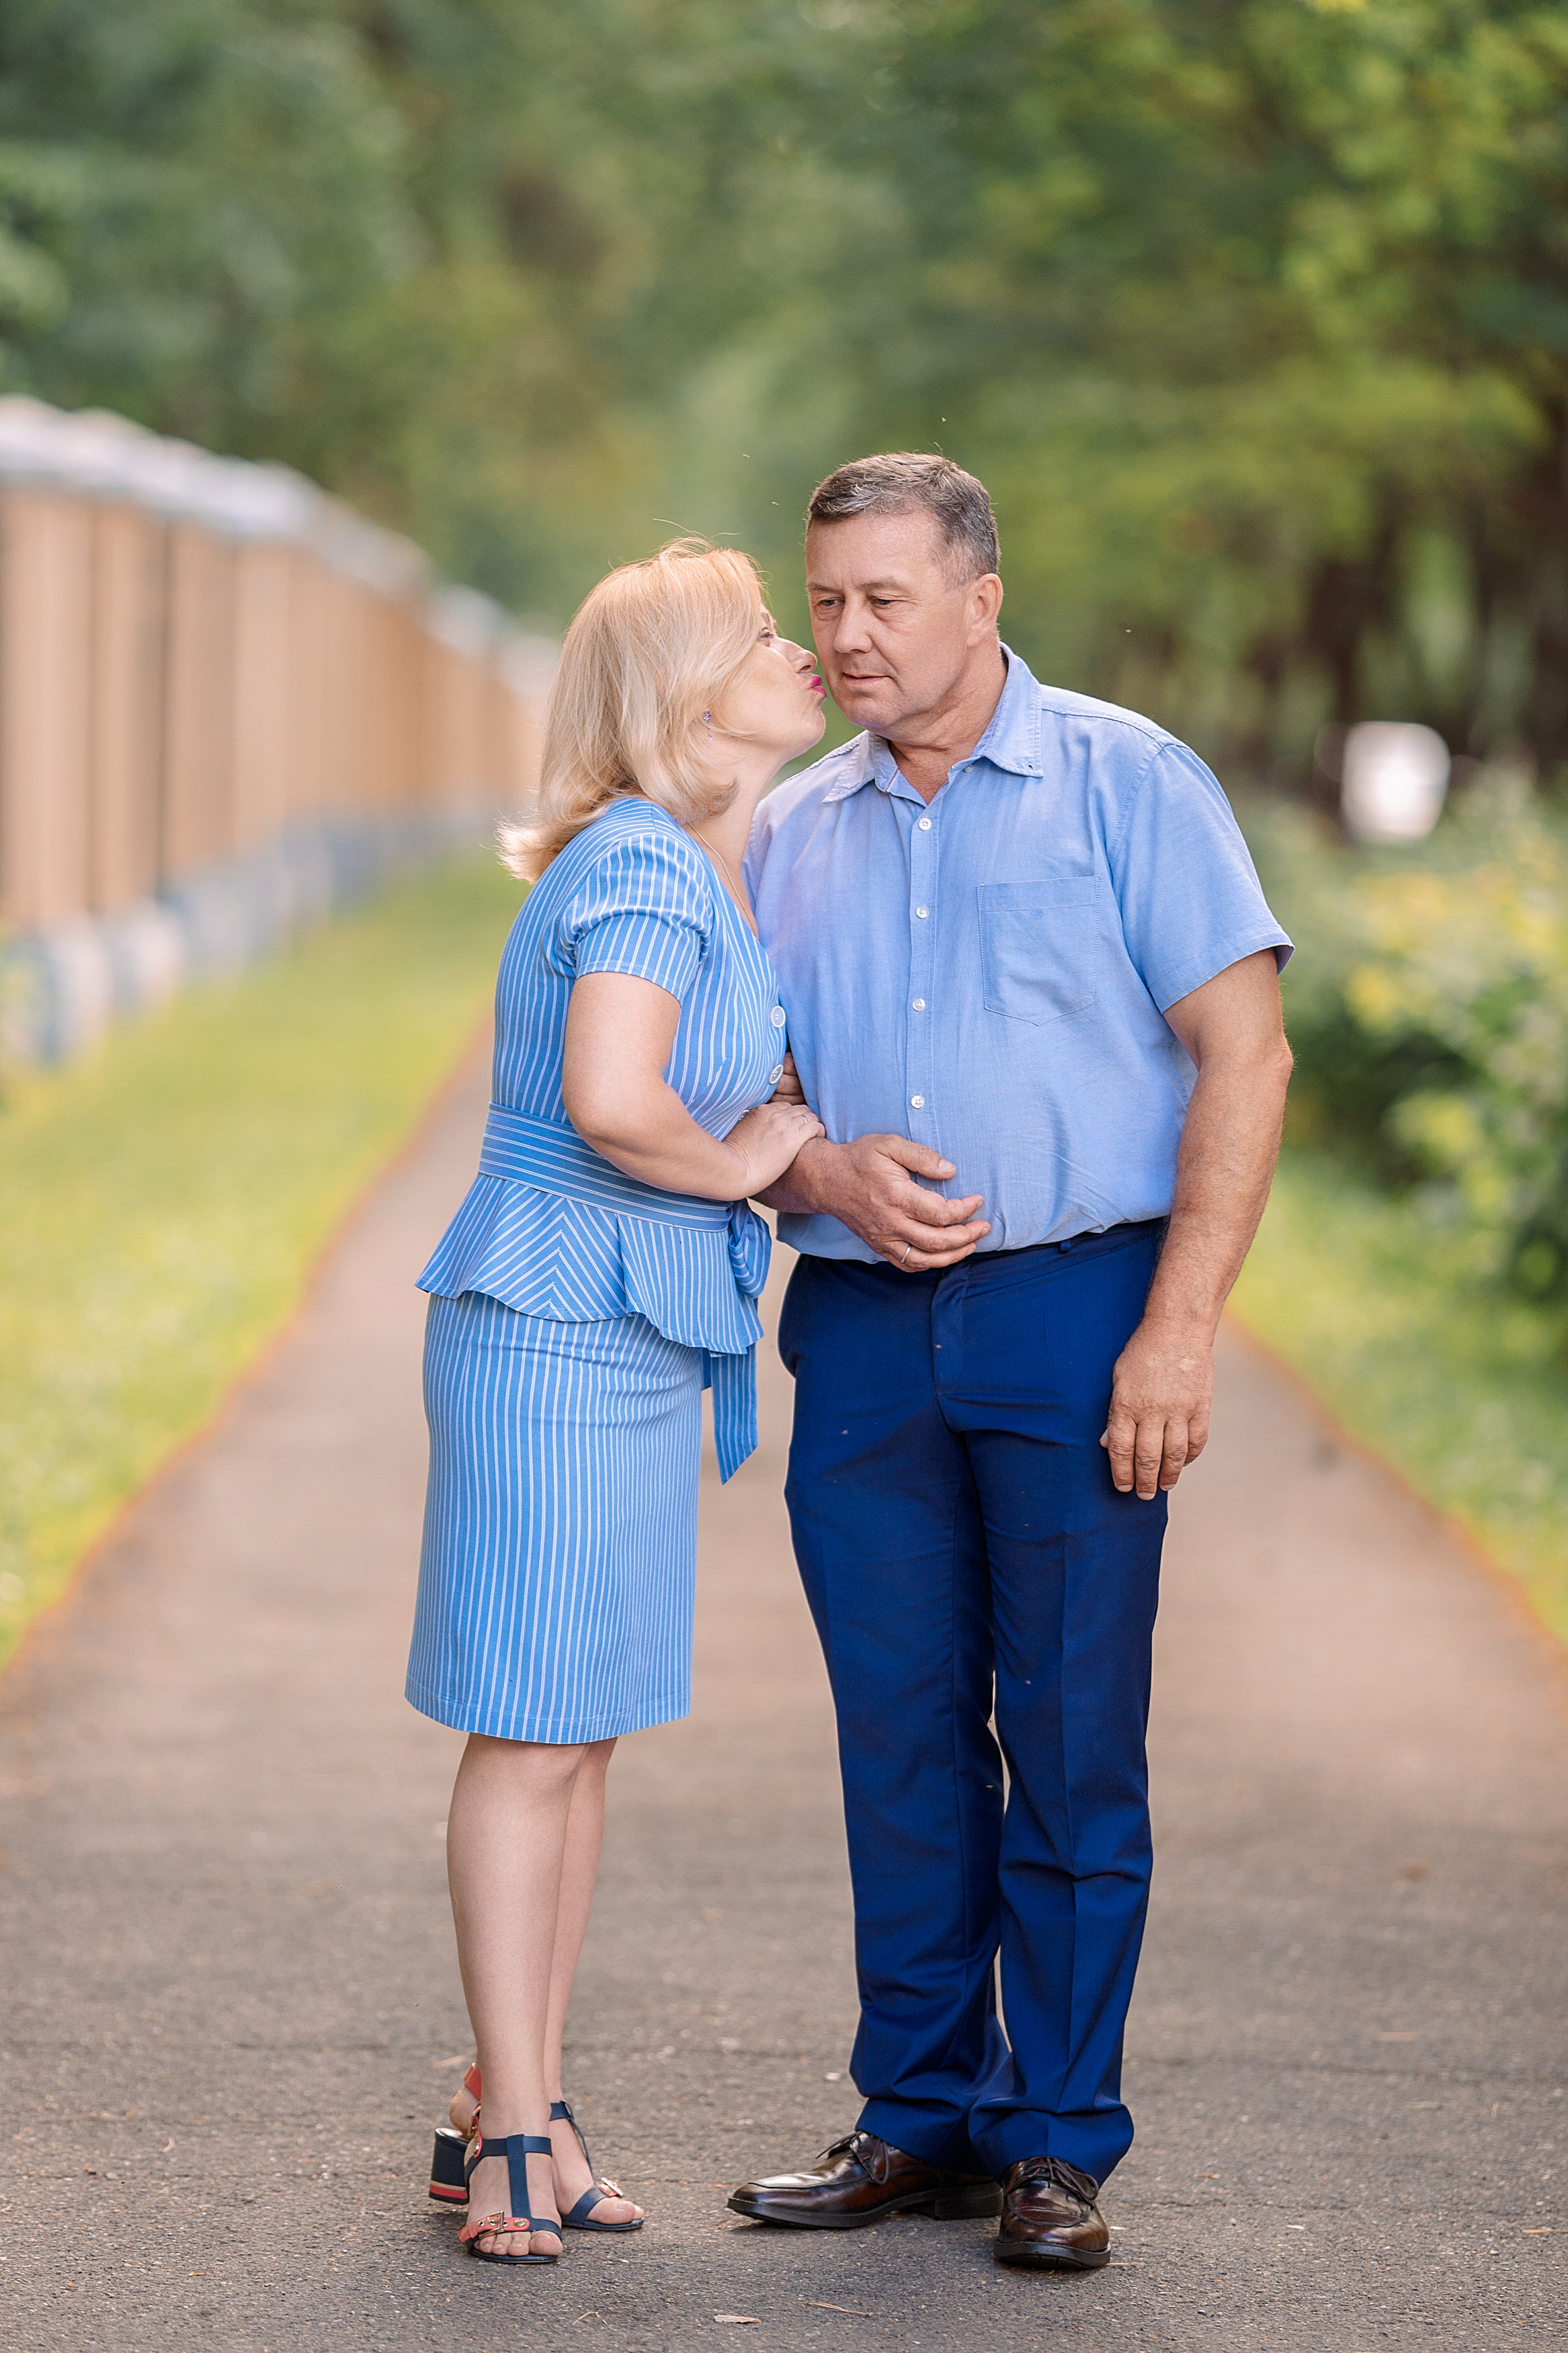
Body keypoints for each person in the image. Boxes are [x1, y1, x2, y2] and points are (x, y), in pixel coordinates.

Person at [727, 453, 1294, 2271]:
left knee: (1063, 1736)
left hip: (1074, 1312)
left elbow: (1245, 1053)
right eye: (824, 601)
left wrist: (1176, 1326)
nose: (847, 635)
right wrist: (811, 1165)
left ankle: (1054, 2137)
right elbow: (740, 1082)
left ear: (980, 598)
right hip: (865, 1331)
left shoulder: (1130, 782)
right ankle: (920, 2111)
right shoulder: (793, 824)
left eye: (884, 599)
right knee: (898, 1736)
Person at [406, 539, 826, 2266]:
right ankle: (506, 2129)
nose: (804, 651)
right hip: (559, 1329)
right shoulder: (649, 876)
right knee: (531, 1733)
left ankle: (520, 2101)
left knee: (576, 1735)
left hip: (623, 1335)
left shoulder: (703, 871)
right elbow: (608, 1097)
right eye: (763, 637)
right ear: (683, 699)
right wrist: (748, 1163)